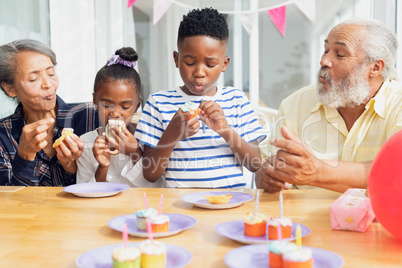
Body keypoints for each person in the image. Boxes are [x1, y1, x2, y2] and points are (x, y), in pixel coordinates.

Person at [256, 18, 402, 193]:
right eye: (325, 50)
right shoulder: (294, 104)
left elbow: (395, 172)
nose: (324, 61)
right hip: (301, 221)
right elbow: (262, 171)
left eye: (340, 54)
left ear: (375, 67)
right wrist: (267, 177)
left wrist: (317, 171)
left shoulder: (398, 104)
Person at [135, 8, 265, 188]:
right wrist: (171, 135)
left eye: (210, 64)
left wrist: (226, 131)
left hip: (230, 205)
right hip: (180, 207)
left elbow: (255, 164)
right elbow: (150, 174)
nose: (199, 72)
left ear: (224, 64)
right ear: (176, 58)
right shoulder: (158, 103)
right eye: (189, 62)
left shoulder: (237, 100)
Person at [0, 39, 99, 186]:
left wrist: (72, 169)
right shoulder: (3, 136)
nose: (48, 84)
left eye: (51, 73)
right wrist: (25, 157)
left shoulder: (91, 116)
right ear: (10, 89)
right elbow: (9, 204)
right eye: (33, 79)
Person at [76, 47, 159, 187]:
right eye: (107, 105)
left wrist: (135, 152)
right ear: (95, 101)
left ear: (138, 105)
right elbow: (85, 193)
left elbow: (155, 188)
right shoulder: (86, 143)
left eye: (125, 107)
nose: (115, 113)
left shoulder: (147, 139)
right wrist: (102, 167)